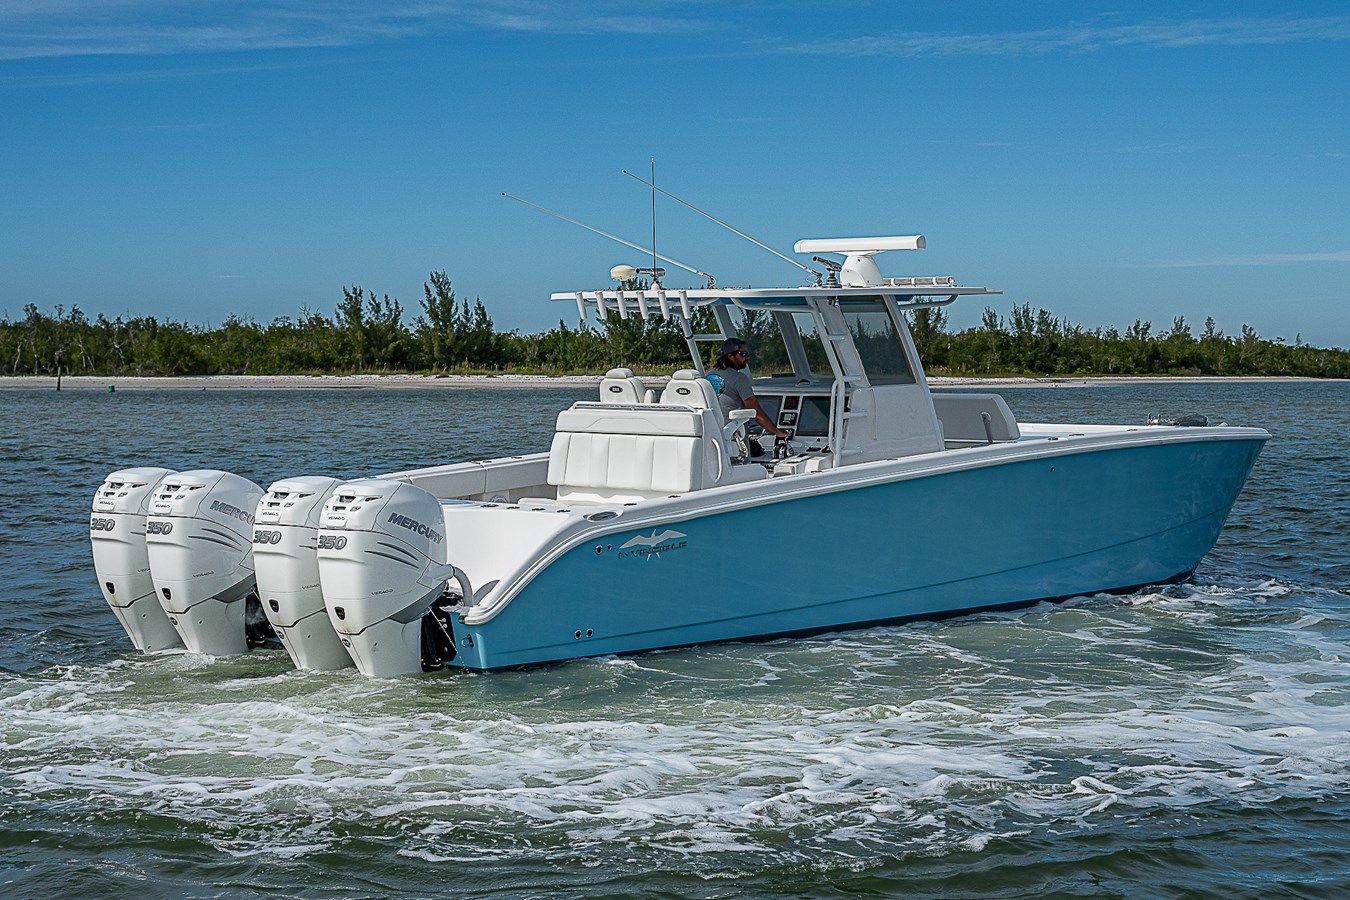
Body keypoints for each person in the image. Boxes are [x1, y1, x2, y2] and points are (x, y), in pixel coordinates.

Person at [708, 339, 789, 450]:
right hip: (735, 443)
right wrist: (778, 432)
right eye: (743, 354)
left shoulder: (708, 376)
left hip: (714, 441)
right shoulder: (739, 379)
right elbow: (756, 412)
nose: (747, 357)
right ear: (731, 356)